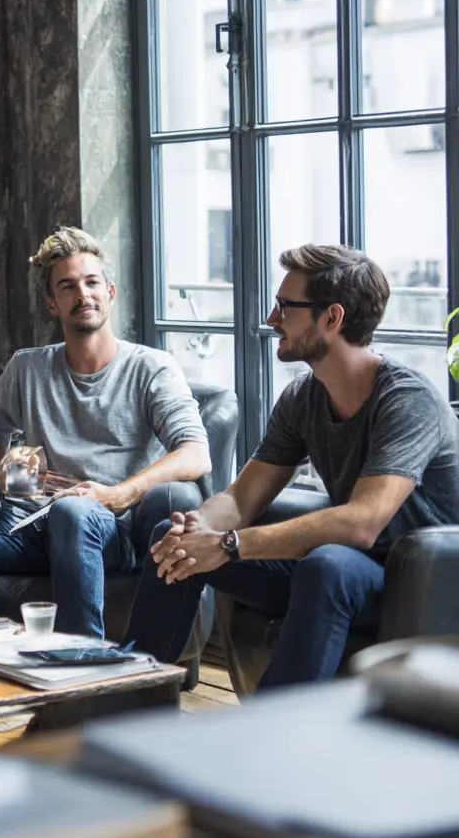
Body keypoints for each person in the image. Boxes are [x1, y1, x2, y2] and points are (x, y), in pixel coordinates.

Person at [126, 244, 459, 689]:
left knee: (328, 566)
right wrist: (199, 528)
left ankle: (274, 729)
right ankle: (123, 701)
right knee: (171, 540)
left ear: (332, 318)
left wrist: (229, 544)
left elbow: (362, 523)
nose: (271, 318)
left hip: (420, 582)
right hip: (342, 570)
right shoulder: (303, 396)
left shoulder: (407, 401)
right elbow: (241, 498)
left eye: (285, 306)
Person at [0, 227, 212, 638]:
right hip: (31, 523)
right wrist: (9, 464)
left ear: (110, 293)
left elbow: (195, 454)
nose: (83, 294)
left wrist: (119, 494)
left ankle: (79, 659)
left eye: (92, 282)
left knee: (73, 511)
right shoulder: (26, 369)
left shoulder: (151, 368)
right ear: (52, 303)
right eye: (67, 287)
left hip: (109, 528)